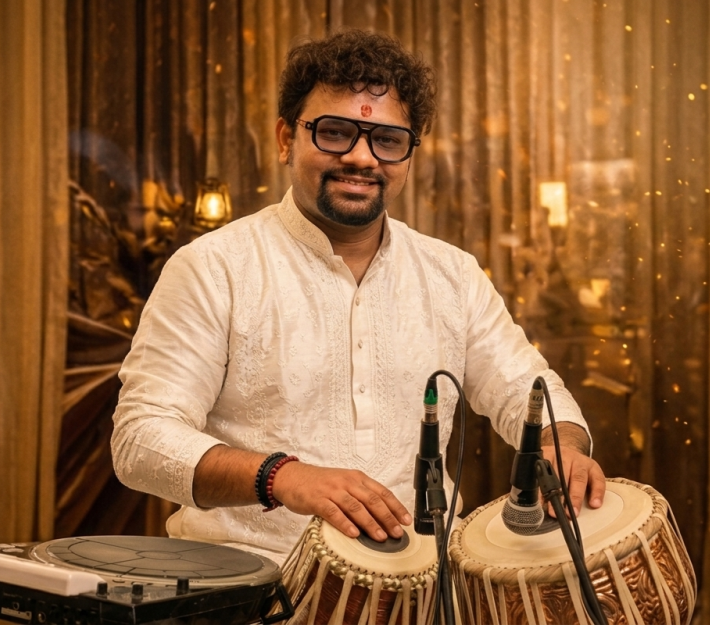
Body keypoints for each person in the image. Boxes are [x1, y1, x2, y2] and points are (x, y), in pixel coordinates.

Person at [111, 29, 606, 565]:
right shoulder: (214, 268)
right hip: (252, 582)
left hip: (427, 584)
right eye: (335, 132)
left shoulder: (452, 275)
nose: (362, 157)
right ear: (286, 138)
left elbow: (526, 389)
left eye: (387, 140)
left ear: (409, 153)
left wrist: (561, 445)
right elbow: (140, 439)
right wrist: (282, 477)